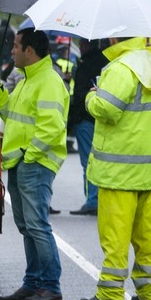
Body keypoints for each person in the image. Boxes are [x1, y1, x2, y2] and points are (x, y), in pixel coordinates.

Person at [79, 37, 151, 300]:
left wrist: (91, 96)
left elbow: (107, 108)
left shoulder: (120, 68)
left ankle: (110, 293)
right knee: (146, 234)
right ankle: (149, 291)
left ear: (118, 37)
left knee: (115, 235)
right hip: (145, 167)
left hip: (117, 170)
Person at [0, 28, 69, 300]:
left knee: (36, 226)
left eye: (16, 45)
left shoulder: (48, 81)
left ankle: (50, 286)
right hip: (22, 161)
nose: (12, 49)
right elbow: (12, 114)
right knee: (27, 226)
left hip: (33, 163)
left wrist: (29, 155)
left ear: (30, 51)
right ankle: (33, 283)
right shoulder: (28, 79)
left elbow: (51, 128)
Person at [67, 38, 110, 215]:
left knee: (88, 162)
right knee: (99, 160)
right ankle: (100, 198)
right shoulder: (106, 63)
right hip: (100, 119)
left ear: (88, 45)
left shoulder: (86, 65)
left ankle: (92, 200)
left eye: (82, 43)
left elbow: (79, 94)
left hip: (85, 119)